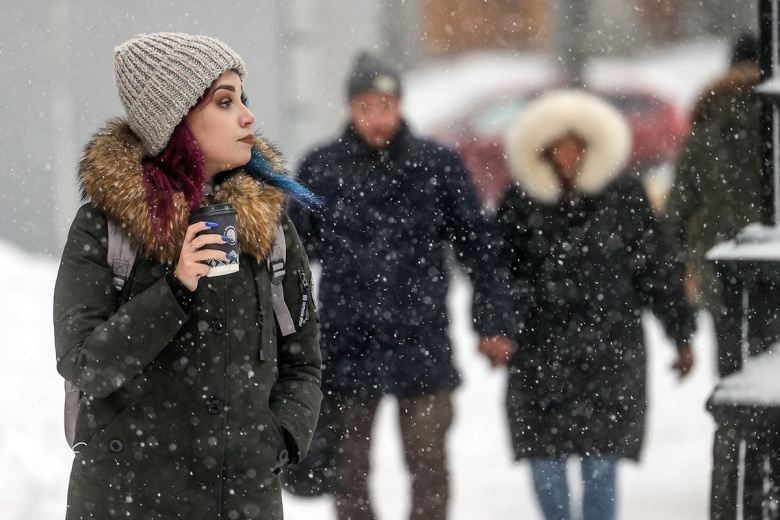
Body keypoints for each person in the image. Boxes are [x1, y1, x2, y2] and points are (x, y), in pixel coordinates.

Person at [53, 32, 322, 520]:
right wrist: (174, 289)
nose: (248, 116)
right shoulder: (105, 227)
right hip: (125, 501)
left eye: (243, 98)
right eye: (225, 101)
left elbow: (302, 362)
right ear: (174, 121)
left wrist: (276, 439)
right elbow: (85, 364)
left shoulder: (268, 226)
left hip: (240, 501)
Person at [290, 51, 517, 520]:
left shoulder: (437, 165)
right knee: (349, 470)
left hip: (422, 338)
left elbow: (481, 250)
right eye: (367, 106)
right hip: (348, 342)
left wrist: (493, 322)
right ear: (350, 109)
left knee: (429, 462)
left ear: (401, 104)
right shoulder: (321, 168)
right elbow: (289, 258)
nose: (378, 117)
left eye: (386, 105)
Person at [494, 90, 696, 520]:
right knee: (546, 465)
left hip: (609, 351)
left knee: (600, 465)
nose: (568, 157)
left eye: (577, 146)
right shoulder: (519, 201)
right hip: (540, 354)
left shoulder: (623, 196)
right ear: (543, 149)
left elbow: (655, 267)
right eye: (559, 147)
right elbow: (496, 275)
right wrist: (498, 326)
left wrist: (680, 330)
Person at [666, 31, 780, 376]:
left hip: (723, 275)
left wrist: (680, 267)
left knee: (734, 380)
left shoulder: (706, 128)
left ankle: (733, 429)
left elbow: (678, 212)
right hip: (776, 266)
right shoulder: (775, 122)